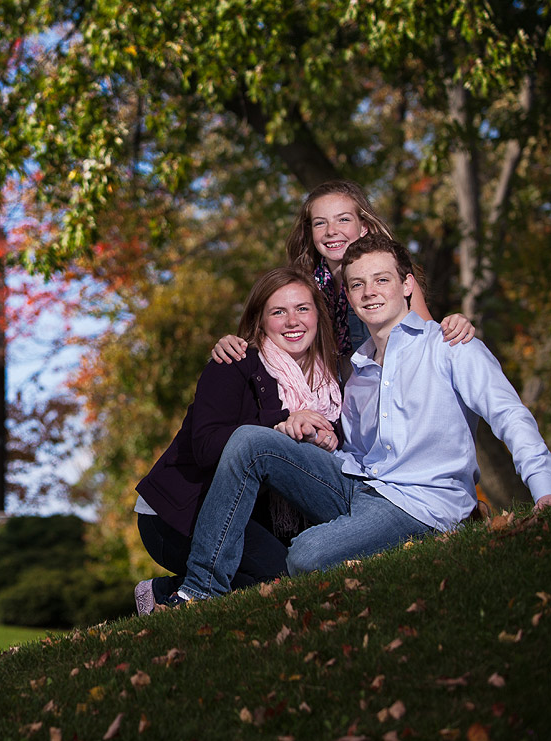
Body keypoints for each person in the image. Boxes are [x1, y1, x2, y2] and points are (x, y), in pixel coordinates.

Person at [153, 234, 551, 608]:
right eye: (357, 284)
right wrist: (323, 445)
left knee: (306, 557)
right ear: (347, 295)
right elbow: (356, 453)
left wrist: (544, 490)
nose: (369, 291)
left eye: (382, 279)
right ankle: (198, 591)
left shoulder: (449, 346)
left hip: (418, 504)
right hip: (359, 484)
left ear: (407, 285)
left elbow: (509, 415)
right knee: (247, 443)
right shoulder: (355, 371)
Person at [133, 267, 342, 615]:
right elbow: (207, 447)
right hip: (178, 515)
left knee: (295, 572)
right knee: (277, 580)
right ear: (260, 321)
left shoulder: (330, 384)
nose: (293, 320)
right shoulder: (233, 363)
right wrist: (281, 424)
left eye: (303, 309)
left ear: (318, 315)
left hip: (245, 517)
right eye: (278, 312)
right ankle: (162, 592)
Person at [211, 180, 474, 368]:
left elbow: (427, 336)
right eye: (320, 223)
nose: (331, 231)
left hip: (384, 391)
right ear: (310, 231)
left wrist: (455, 324)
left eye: (343, 220)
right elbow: (276, 337)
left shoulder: (389, 280)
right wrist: (233, 344)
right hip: (333, 401)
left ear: (364, 227)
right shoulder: (306, 286)